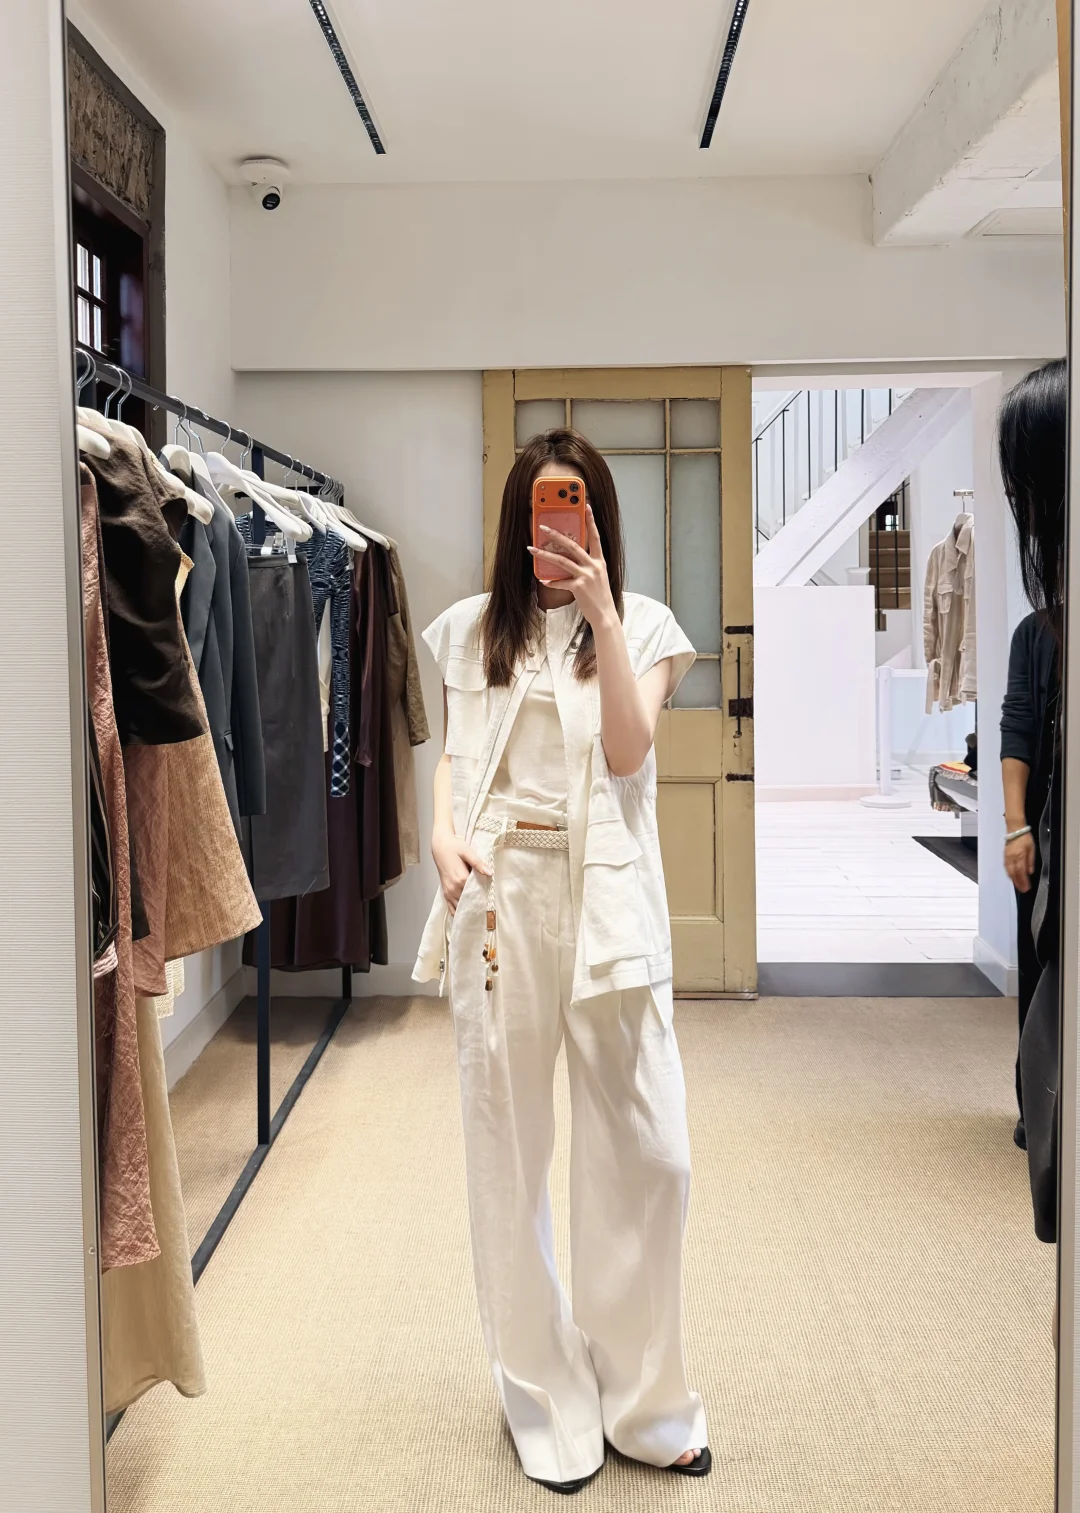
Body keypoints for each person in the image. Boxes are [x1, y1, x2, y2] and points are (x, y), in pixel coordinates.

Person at [413, 429, 710, 1493]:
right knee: (509, 1152)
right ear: (517, 520)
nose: (557, 523)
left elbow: (628, 750)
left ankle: (647, 1402)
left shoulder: (649, 627)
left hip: (608, 902)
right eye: (543, 504)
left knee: (652, 1152)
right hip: (501, 899)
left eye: (574, 503)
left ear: (598, 518)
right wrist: (439, 835)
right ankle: (545, 1398)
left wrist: (603, 616)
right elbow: (454, 758)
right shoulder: (468, 630)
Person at [997, 357, 1066, 1245]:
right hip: (1043, 835)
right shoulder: (1036, 630)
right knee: (1040, 973)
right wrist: (1018, 826)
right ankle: (1035, 1105)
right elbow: (1016, 731)